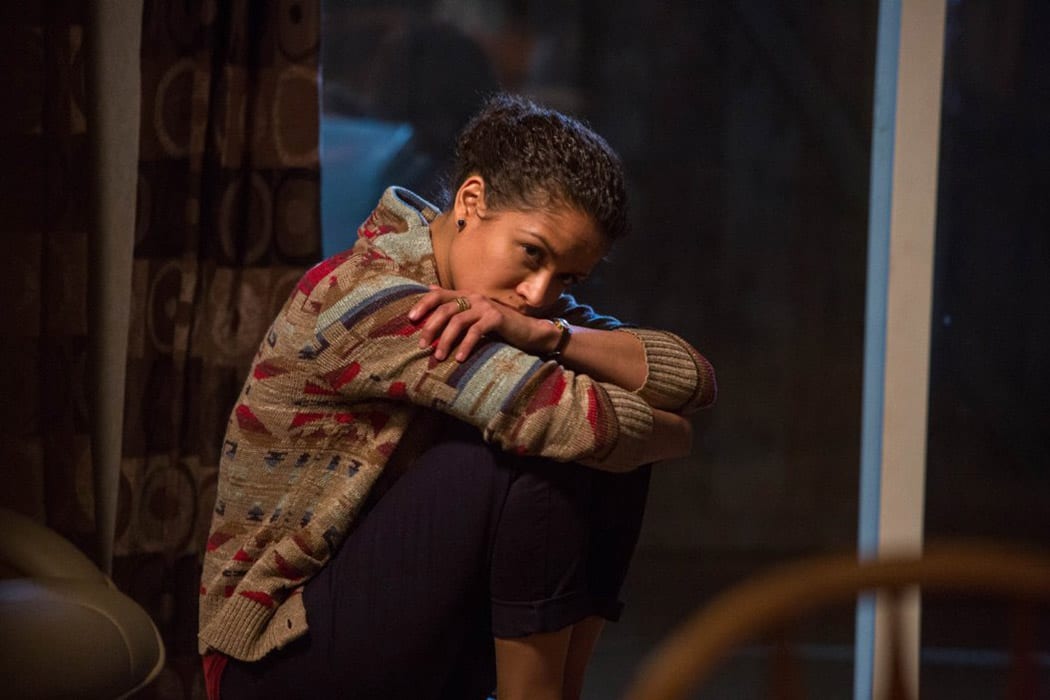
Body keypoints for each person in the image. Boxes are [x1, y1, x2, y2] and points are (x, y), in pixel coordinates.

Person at [198, 94, 716, 700]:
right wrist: (675, 436)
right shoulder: (381, 300)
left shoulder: (507, 307)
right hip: (276, 654)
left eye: (567, 278)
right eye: (532, 254)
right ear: (472, 202)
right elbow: (573, 420)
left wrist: (549, 335)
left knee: (590, 432)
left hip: (391, 622)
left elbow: (693, 379)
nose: (537, 292)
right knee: (533, 454)